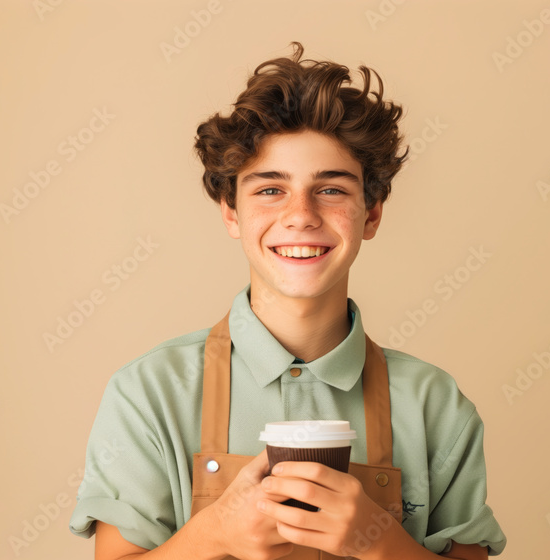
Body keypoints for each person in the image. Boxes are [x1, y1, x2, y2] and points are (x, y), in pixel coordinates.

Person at [69, 42, 507, 560]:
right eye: (270, 190)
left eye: (332, 189)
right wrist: (214, 535)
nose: (301, 215)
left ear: (372, 214)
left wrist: (381, 540)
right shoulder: (147, 395)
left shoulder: (436, 406)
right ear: (231, 212)